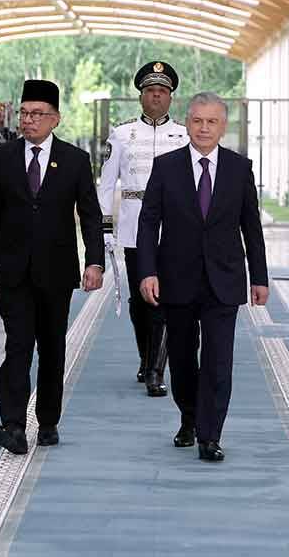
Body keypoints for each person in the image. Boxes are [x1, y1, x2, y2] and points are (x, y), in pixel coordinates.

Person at [137, 92, 268, 462]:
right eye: (197, 121)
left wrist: (258, 277)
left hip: (223, 281)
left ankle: (210, 435)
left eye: (212, 121)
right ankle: (189, 418)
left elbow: (251, 228)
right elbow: (148, 224)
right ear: (187, 123)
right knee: (180, 359)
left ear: (223, 126)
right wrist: (147, 271)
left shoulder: (240, 168)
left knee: (218, 361)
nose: (204, 128)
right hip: (176, 280)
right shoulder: (165, 167)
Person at [0, 79, 104, 455]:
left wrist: (94, 261)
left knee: (52, 348)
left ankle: (48, 420)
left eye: (37, 114)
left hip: (57, 270)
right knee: (18, 346)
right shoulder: (3, 157)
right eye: (24, 113)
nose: (28, 120)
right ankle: (13, 423)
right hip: (13, 270)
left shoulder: (76, 160)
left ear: (55, 119)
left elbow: (91, 215)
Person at [98, 61, 188, 396]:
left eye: (162, 91)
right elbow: (107, 186)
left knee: (163, 300)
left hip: (174, 229)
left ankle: (155, 370)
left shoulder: (183, 135)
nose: (156, 97)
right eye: (150, 91)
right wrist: (105, 228)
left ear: (170, 98)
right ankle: (145, 355)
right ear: (141, 96)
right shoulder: (122, 135)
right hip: (135, 226)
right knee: (140, 301)